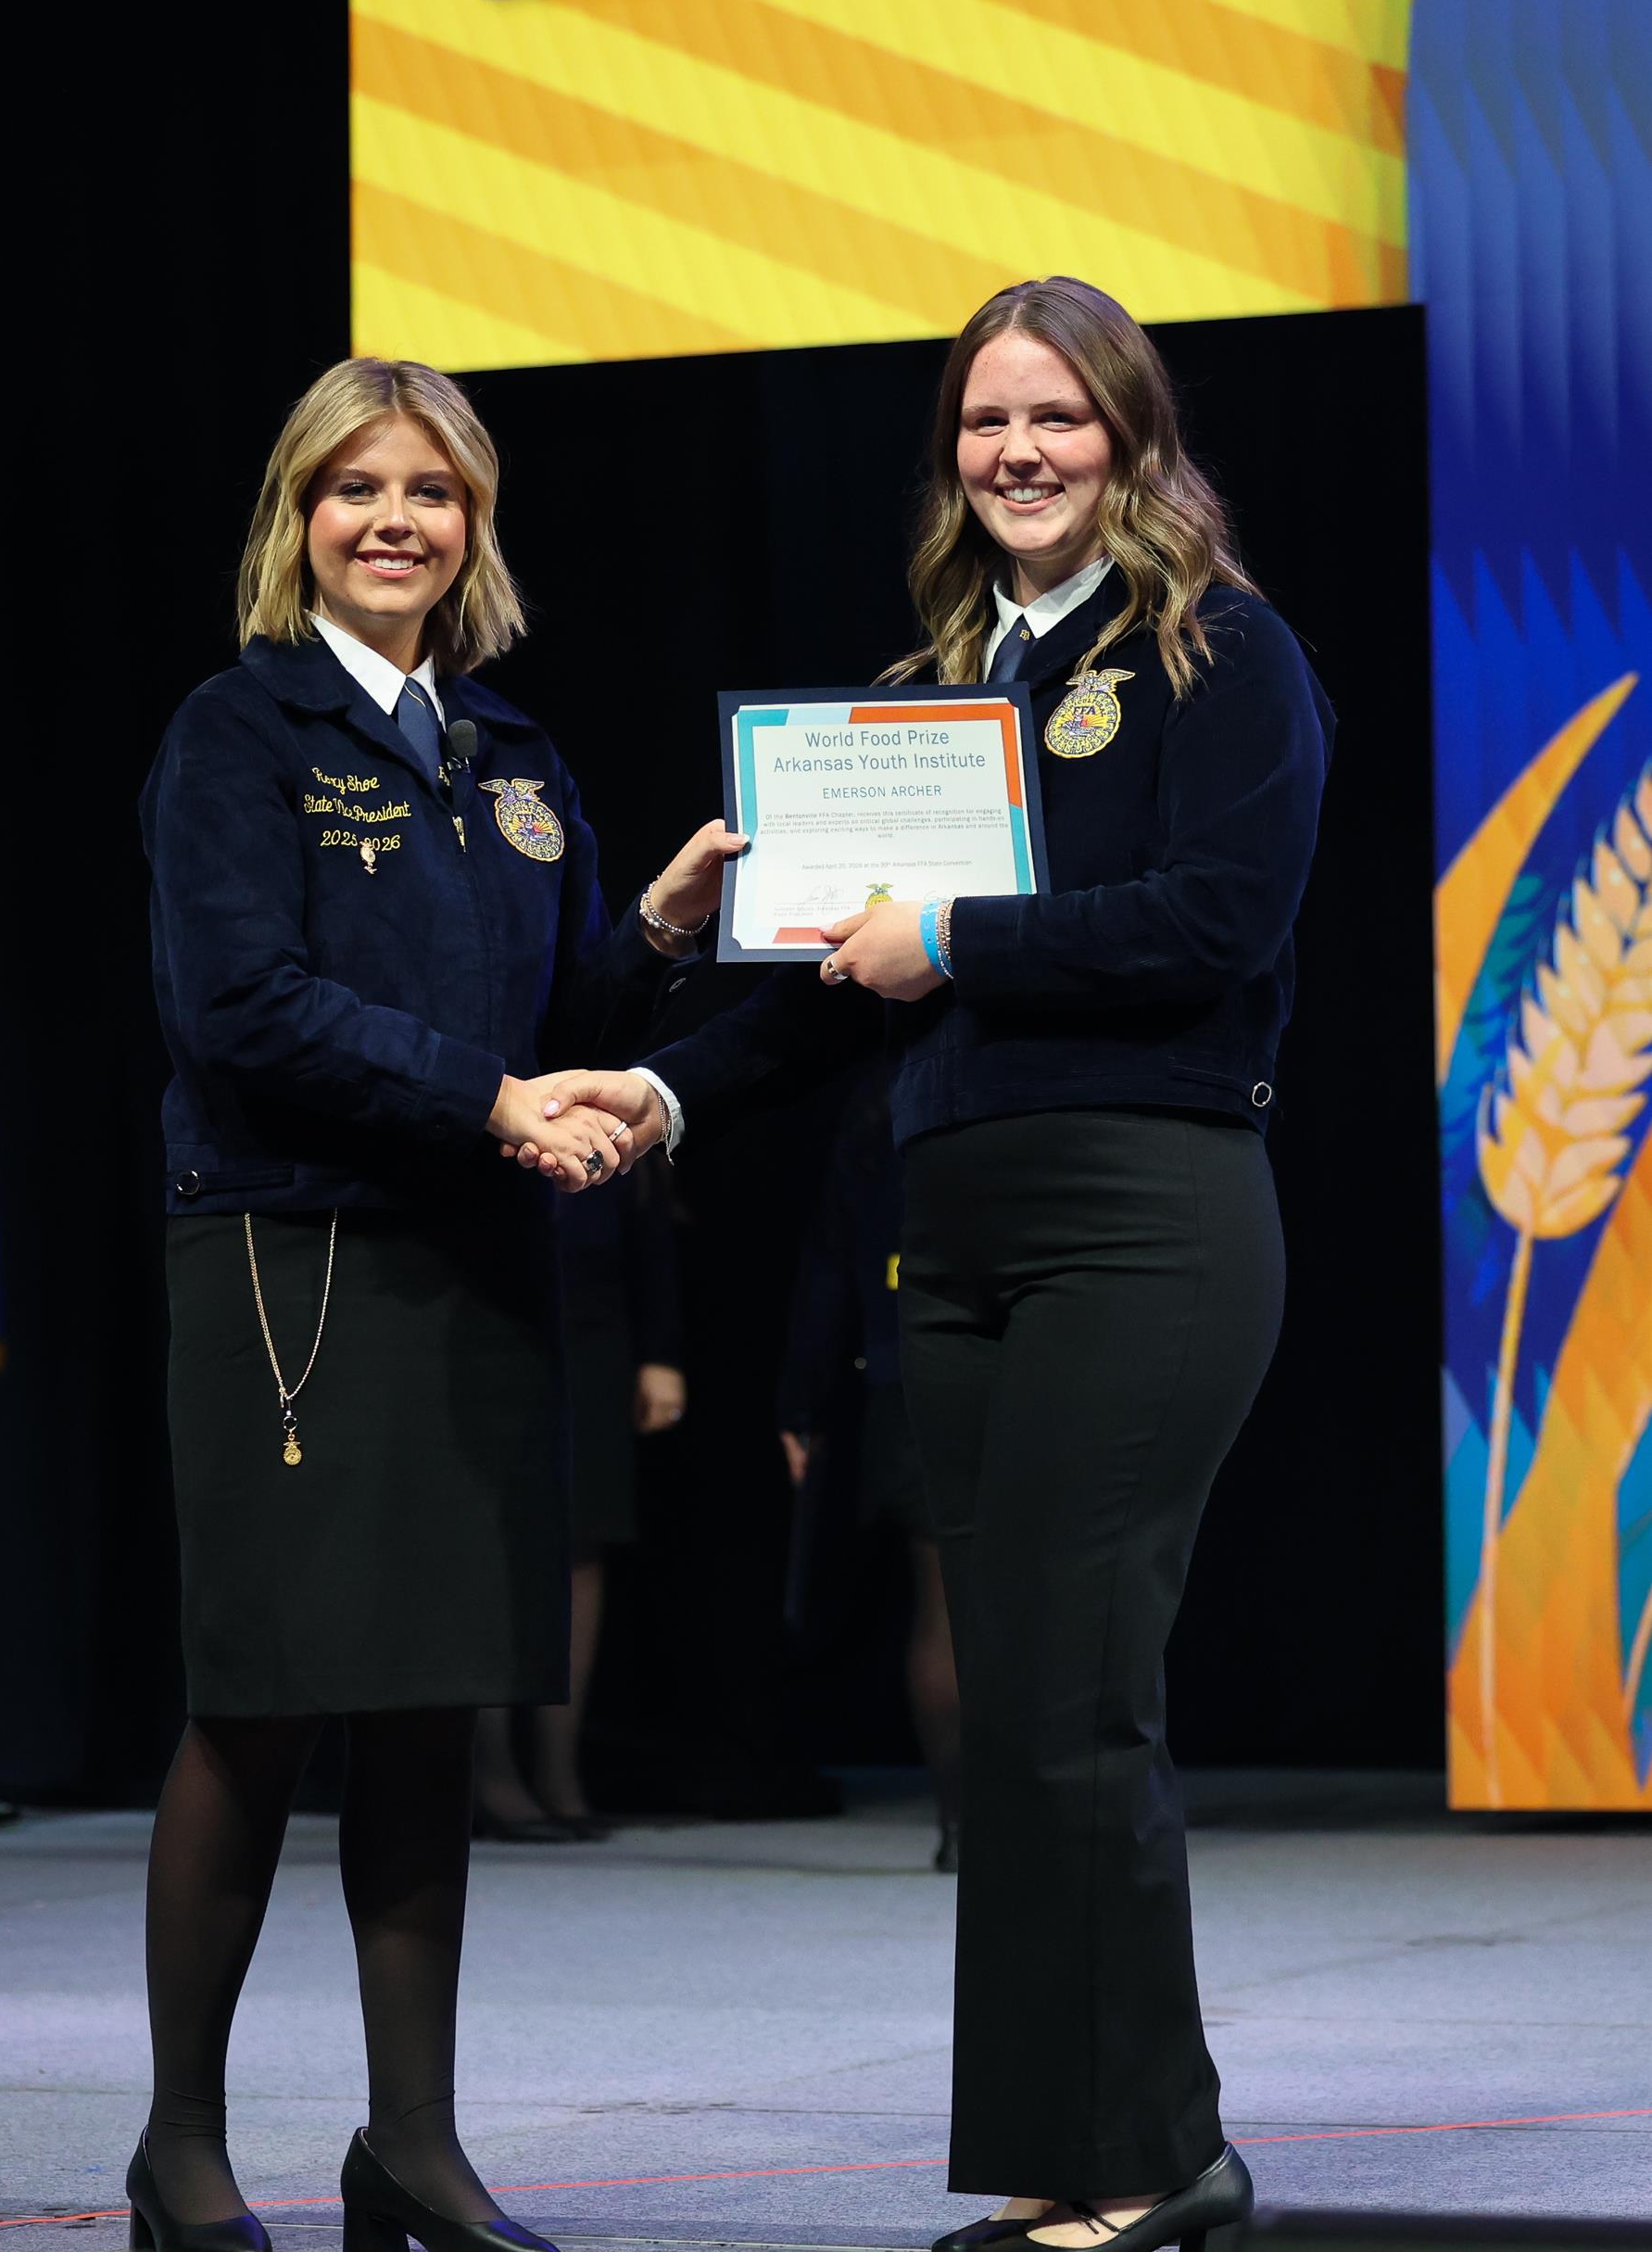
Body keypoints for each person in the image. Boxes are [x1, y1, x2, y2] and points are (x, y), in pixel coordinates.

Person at [525, 278, 1335, 2252]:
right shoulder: (934, 691)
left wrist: (957, 936)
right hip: (952, 1236)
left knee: (1077, 1695)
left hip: (1142, 1214)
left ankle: (1156, 2159)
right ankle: (1071, 2153)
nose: (1019, 451)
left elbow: (1217, 918)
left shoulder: (1223, 652)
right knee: (1003, 1711)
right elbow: (835, 995)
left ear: (1132, 436)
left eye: (1058, 415)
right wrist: (660, 1084)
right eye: (987, 420)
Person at [132, 357, 738, 2252]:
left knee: (423, 1715)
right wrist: (489, 1099)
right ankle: (180, 2150)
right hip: (291, 1265)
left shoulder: (513, 755)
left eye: (433, 491)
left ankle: (411, 2145)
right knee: (261, 1707)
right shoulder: (238, 732)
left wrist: (653, 933)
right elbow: (241, 1006)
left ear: (474, 524)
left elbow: (556, 1031)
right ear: (298, 514)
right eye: (358, 486)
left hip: (475, 1270)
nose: (395, 519)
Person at [777, 1067, 960, 1871]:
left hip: (908, 1369)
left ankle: (963, 1825)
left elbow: (832, 1263)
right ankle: (1022, 1826)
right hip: (1015, 1363)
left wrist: (803, 1403)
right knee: (1030, 1606)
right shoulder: (1015, 1072)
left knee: (945, 1610)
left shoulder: (881, 1098)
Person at [474, 1159, 687, 1839]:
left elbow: (646, 1219)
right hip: (482, 1315)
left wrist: (660, 1351)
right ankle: (489, 1773)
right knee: (484, 1543)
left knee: (581, 1542)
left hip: (591, 1322)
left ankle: (559, 1770)